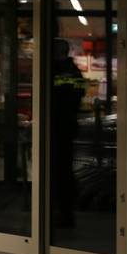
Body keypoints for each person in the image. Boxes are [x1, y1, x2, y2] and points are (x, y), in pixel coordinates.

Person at [50, 38, 84, 230]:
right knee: (63, 168)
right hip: (67, 125)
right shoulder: (74, 71)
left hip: (59, 126)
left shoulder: (56, 71)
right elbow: (78, 95)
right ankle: (64, 210)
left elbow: (60, 97)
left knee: (59, 169)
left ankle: (63, 212)